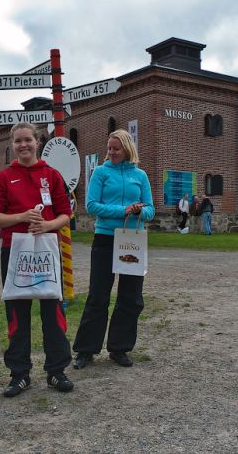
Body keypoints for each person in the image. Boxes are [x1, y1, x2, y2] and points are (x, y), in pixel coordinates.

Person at [0, 122, 75, 397]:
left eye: (28, 140)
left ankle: (56, 371)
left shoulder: (51, 174)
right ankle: (19, 373)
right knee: (17, 314)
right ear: (12, 145)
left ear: (37, 142)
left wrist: (47, 225)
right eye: (18, 141)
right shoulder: (3, 177)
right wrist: (22, 217)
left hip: (47, 251)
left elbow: (65, 213)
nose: (23, 145)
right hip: (15, 252)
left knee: (53, 311)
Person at [72, 129, 155, 369]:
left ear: (127, 149)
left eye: (116, 149)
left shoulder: (140, 175)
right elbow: (91, 206)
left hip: (133, 239)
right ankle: (86, 350)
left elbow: (150, 210)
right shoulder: (100, 172)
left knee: (130, 297)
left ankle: (119, 348)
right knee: (98, 295)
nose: (111, 152)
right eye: (109, 148)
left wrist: (140, 210)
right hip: (105, 239)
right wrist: (123, 211)